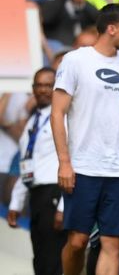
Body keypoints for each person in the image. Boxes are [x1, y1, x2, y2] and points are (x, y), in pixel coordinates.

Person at [51, 3, 119, 275]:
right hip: (83, 168)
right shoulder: (76, 60)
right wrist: (64, 162)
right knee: (77, 242)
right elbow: (57, 113)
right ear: (111, 29)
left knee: (112, 245)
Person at [7, 68, 65, 275]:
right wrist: (16, 203)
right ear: (32, 89)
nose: (43, 90)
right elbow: (26, 164)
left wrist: (64, 207)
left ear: (56, 88)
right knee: (40, 255)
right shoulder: (33, 121)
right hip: (36, 196)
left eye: (48, 85)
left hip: (56, 193)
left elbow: (74, 161)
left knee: (54, 257)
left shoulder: (64, 118)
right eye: (38, 85)